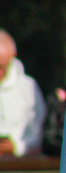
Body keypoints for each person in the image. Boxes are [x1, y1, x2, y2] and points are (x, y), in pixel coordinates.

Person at [0, 29, 46, 159]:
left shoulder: (28, 87)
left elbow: (39, 132)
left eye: (2, 67)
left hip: (22, 166)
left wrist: (16, 147)